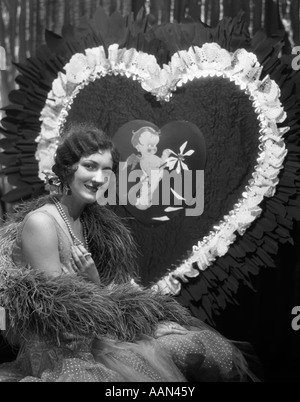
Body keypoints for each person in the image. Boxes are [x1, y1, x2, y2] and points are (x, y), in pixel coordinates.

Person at [0, 123, 258, 382]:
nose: (100, 179)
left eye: (107, 170)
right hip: (62, 357)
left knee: (186, 340)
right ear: (67, 169)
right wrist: (94, 282)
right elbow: (58, 315)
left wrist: (133, 318)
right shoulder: (41, 223)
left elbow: (104, 297)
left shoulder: (89, 222)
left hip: (97, 337)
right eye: (90, 166)